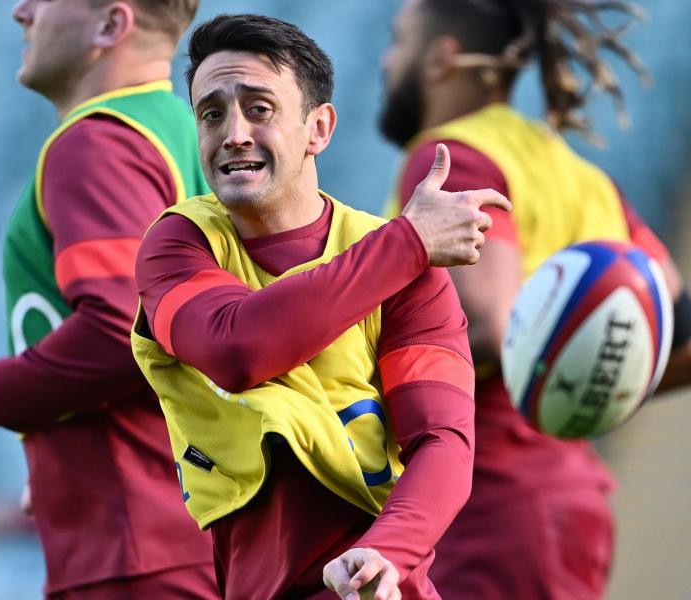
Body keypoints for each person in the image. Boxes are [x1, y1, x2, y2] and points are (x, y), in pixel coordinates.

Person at [130, 13, 512, 600]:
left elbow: (443, 441)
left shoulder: (408, 271)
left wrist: (388, 550)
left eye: (259, 108)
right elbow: (237, 349)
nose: (233, 132)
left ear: (319, 128)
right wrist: (406, 244)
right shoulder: (178, 245)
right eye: (212, 113)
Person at [379, 0, 691, 598]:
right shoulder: (582, 178)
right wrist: (577, 391)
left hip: (484, 510)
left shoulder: (448, 161)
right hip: (566, 501)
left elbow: (489, 326)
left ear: (441, 57)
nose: (386, 61)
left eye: (398, 40)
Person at [0, 1, 218, 597]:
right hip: (189, 527)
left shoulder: (98, 142)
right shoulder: (183, 134)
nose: (22, 12)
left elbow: (120, 332)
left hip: (137, 548)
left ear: (109, 25)